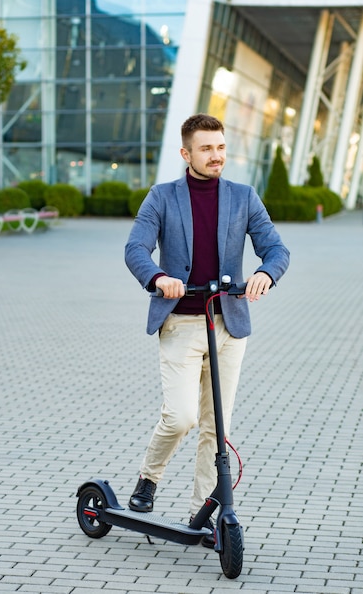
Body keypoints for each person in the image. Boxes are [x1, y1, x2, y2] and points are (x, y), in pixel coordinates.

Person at [124, 113, 289, 547]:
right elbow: (135, 247)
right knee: (180, 417)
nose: (216, 156)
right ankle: (148, 477)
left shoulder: (243, 196)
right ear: (186, 153)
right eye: (206, 148)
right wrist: (158, 277)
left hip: (228, 325)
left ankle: (204, 512)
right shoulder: (161, 197)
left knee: (217, 428)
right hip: (180, 322)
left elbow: (275, 247)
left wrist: (265, 274)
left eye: (220, 147)